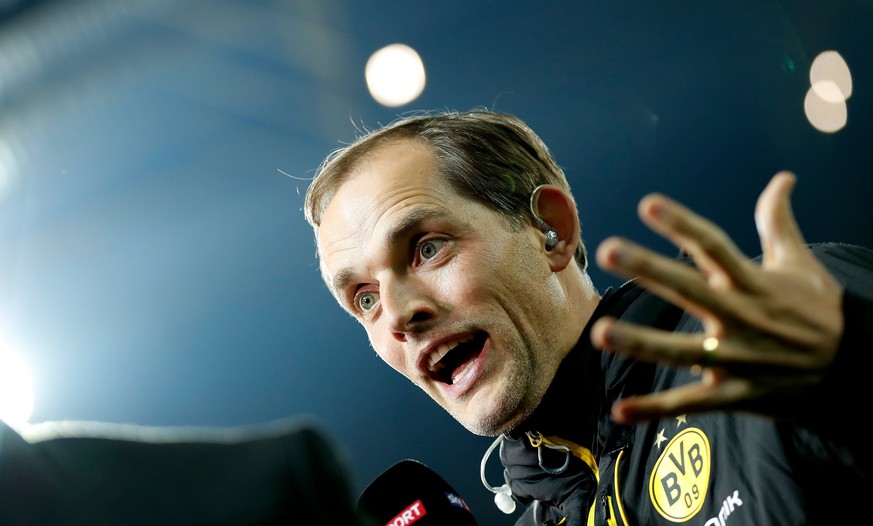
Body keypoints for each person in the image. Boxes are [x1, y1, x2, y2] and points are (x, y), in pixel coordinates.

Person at [303, 109, 873, 525]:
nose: (399, 313)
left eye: (427, 248)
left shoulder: (781, 332)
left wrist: (852, 368)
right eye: (366, 298)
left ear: (550, 231)